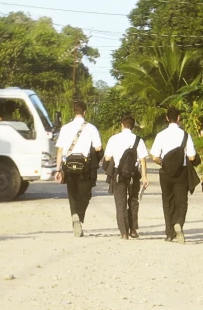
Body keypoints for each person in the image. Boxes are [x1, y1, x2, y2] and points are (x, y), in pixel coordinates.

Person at [55, 100, 102, 237]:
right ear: (85, 112)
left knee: (72, 193)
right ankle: (79, 217)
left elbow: (60, 150)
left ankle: (74, 214)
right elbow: (98, 148)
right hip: (84, 166)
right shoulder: (91, 128)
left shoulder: (65, 128)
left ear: (74, 112)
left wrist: (58, 169)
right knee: (85, 194)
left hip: (68, 165)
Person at [150, 107, 197, 243]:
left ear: (166, 118)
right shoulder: (186, 135)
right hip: (181, 173)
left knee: (167, 201)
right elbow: (192, 157)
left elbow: (154, 157)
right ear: (178, 118)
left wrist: (164, 163)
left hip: (165, 173)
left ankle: (169, 234)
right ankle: (179, 223)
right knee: (182, 201)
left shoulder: (160, 135)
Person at [104, 115, 149, 239]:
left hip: (119, 175)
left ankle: (123, 232)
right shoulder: (138, 140)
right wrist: (145, 177)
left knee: (120, 203)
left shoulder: (113, 139)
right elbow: (142, 160)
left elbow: (107, 158)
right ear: (133, 127)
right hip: (134, 175)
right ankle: (133, 229)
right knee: (134, 200)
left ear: (122, 125)